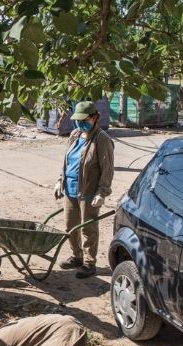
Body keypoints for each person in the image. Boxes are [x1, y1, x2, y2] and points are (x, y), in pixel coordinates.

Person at [55, 101, 114, 278]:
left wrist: (102, 192)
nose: (80, 124)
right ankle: (76, 256)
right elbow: (67, 161)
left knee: (88, 229)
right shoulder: (75, 134)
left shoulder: (102, 139)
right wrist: (60, 181)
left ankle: (90, 263)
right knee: (70, 226)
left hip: (88, 192)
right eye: (78, 120)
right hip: (70, 190)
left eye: (84, 120)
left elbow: (107, 169)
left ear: (95, 118)